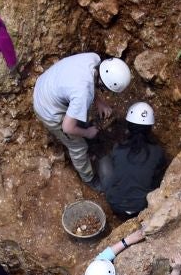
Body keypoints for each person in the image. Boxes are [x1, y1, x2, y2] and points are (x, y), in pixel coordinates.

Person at [32, 52, 132, 183]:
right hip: (47, 109)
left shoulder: (94, 58)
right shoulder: (83, 94)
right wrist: (87, 133)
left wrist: (99, 101)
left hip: (46, 84)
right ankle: (89, 178)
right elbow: (67, 127)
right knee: (78, 146)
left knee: (79, 113)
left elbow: (89, 80)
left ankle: (82, 132)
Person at [96, 102, 168, 219]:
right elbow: (158, 174)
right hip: (143, 205)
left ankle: (101, 188)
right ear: (149, 128)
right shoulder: (157, 151)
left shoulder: (118, 148)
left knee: (104, 161)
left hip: (116, 204)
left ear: (128, 126)